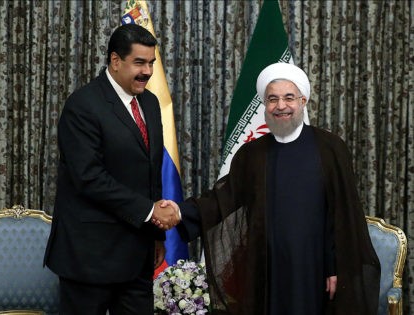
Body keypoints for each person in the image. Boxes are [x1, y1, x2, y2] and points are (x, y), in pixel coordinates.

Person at [160, 63, 380, 315]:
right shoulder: (253, 153)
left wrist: (336, 268)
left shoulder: (330, 149)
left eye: (289, 98)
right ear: (265, 105)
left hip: (315, 266)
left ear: (303, 101)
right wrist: (179, 212)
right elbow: (223, 198)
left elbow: (342, 215)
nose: (281, 106)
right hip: (266, 266)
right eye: (272, 99)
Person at [44, 24, 180, 315]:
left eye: (152, 63)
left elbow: (150, 172)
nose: (147, 71)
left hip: (137, 256)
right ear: (116, 61)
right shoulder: (83, 105)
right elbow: (89, 178)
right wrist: (150, 211)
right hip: (90, 259)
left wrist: (155, 235)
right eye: (139, 63)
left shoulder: (150, 103)